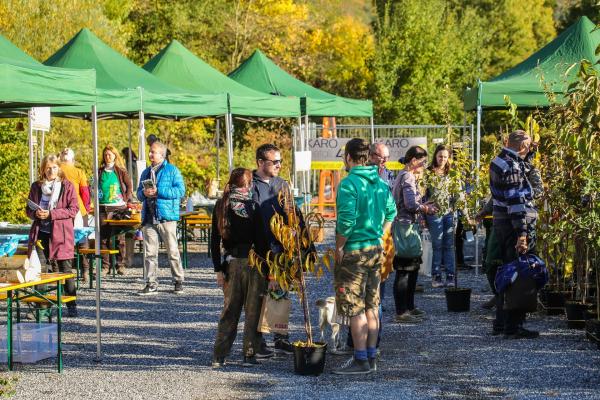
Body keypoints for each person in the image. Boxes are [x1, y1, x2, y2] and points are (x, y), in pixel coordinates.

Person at [332, 138, 396, 375]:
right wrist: (381, 236)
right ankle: (369, 356)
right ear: (368, 156)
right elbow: (392, 211)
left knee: (355, 307)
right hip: (374, 249)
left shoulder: (349, 184)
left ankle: (361, 360)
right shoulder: (380, 183)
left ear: (348, 157)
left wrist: (339, 247)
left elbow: (346, 222)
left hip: (355, 251)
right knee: (372, 304)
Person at [211, 168, 265, 368]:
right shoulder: (253, 206)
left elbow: (214, 241)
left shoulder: (221, 205)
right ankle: (249, 354)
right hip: (253, 262)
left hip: (231, 263)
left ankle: (219, 355)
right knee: (253, 311)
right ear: (249, 185)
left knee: (229, 311)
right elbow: (262, 241)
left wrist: (218, 270)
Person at [490, 130, 539, 339]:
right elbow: (516, 201)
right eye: (528, 146)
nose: (529, 149)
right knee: (519, 274)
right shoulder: (511, 167)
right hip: (513, 224)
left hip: (501, 222)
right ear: (522, 146)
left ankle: (501, 322)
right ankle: (513, 325)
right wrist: (522, 234)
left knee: (507, 270)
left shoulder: (499, 160)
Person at [26, 154, 79, 317]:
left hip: (61, 234)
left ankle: (71, 304)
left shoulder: (67, 186)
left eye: (54, 167)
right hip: (40, 233)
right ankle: (41, 308)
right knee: (40, 270)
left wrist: (51, 214)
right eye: (48, 168)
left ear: (59, 168)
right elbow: (28, 209)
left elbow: (73, 209)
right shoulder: (36, 186)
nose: (51, 170)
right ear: (43, 169)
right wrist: (36, 214)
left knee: (65, 269)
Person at [251, 143, 289, 357]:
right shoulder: (250, 184)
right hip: (258, 250)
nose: (278, 165)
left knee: (280, 295)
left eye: (280, 161)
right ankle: (258, 342)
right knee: (258, 296)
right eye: (274, 162)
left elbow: (291, 215)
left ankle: (281, 338)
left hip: (280, 248)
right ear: (260, 163)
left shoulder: (282, 184)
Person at [392, 146, 437, 323]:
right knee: (405, 268)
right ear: (413, 161)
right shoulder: (408, 176)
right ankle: (402, 311)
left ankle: (409, 307)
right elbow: (410, 204)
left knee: (412, 267)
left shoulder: (403, 175)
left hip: (405, 225)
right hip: (405, 227)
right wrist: (427, 208)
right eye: (423, 162)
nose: (424, 166)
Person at [137, 141, 185, 295]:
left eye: (153, 152)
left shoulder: (172, 170)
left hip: (167, 217)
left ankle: (178, 280)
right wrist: (143, 194)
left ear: (162, 155)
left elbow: (180, 191)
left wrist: (159, 192)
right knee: (149, 252)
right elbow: (138, 194)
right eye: (150, 151)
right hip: (149, 217)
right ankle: (151, 283)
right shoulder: (145, 172)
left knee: (172, 251)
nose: (150, 154)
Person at [424, 144, 459, 288]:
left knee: (449, 245)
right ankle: (436, 275)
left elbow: (458, 193)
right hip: (434, 213)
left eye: (445, 156)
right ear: (435, 156)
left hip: (449, 213)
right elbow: (423, 194)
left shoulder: (452, 172)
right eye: (440, 156)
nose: (442, 159)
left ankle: (450, 275)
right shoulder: (429, 172)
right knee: (437, 245)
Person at [98, 145, 133, 276]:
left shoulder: (120, 171)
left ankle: (120, 265)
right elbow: (94, 186)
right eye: (105, 154)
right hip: (103, 207)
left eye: (110, 154)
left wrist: (126, 199)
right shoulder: (99, 171)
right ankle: (105, 266)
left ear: (115, 155)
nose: (107, 157)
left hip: (118, 208)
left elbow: (129, 186)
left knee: (120, 238)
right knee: (104, 238)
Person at [59, 148, 92, 281]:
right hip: (78, 209)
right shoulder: (79, 172)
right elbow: (85, 193)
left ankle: (64, 272)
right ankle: (85, 271)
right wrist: (87, 208)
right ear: (72, 160)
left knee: (63, 240)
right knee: (82, 240)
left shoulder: (56, 170)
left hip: (60, 209)